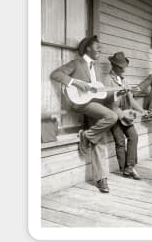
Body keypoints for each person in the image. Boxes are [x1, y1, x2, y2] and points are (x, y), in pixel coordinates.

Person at [50, 36, 118, 193]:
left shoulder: (98, 68)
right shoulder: (77, 63)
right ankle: (86, 136)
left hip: (95, 104)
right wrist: (76, 82)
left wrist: (118, 92)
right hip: (81, 103)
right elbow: (56, 74)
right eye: (97, 47)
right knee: (112, 116)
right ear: (88, 48)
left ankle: (101, 179)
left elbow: (100, 91)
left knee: (100, 139)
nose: (100, 50)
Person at [104, 52, 148, 180]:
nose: (123, 69)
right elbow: (109, 104)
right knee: (120, 141)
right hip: (114, 115)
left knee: (133, 136)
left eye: (124, 67)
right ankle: (125, 170)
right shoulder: (107, 80)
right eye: (121, 67)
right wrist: (121, 114)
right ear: (114, 66)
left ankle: (129, 166)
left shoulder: (125, 80)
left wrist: (142, 110)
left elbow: (131, 99)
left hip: (126, 115)